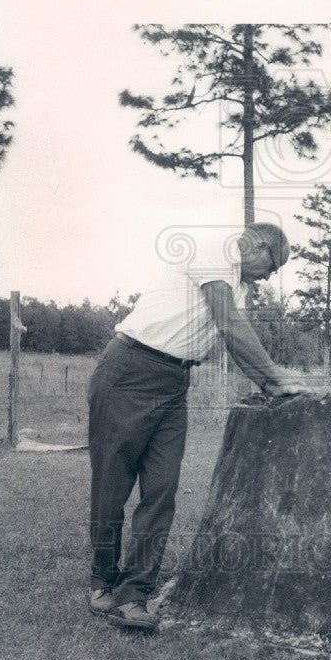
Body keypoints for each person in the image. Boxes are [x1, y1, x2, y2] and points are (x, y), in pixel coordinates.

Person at [87, 221, 307, 630]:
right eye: (272, 265)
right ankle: (102, 582)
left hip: (174, 380)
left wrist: (272, 372)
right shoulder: (214, 250)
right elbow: (229, 326)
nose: (270, 276)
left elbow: (234, 332)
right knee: (111, 485)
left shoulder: (238, 284)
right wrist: (273, 379)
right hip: (129, 368)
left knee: (161, 489)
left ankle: (134, 594)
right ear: (255, 245)